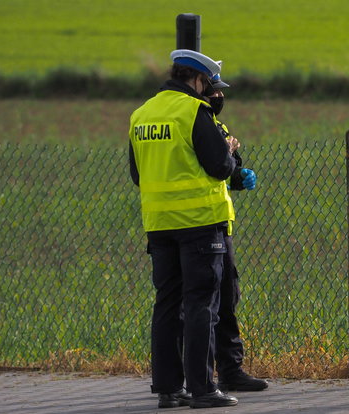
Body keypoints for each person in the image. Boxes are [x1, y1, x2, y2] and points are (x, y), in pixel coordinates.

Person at [129, 49, 238, 409]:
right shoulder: (193, 112)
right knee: (201, 306)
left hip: (158, 227)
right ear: (197, 80)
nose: (210, 93)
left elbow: (136, 174)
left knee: (167, 305)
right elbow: (220, 166)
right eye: (209, 85)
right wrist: (232, 153)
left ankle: (168, 389)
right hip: (199, 225)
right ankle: (203, 389)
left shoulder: (141, 114)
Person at [204, 72, 269, 393]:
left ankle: (230, 369)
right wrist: (228, 156)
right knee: (208, 302)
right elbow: (209, 165)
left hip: (218, 222)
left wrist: (237, 175)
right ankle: (204, 375)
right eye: (214, 91)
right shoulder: (198, 124)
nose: (219, 98)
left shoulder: (217, 127)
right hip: (200, 224)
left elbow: (220, 171)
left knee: (228, 297)